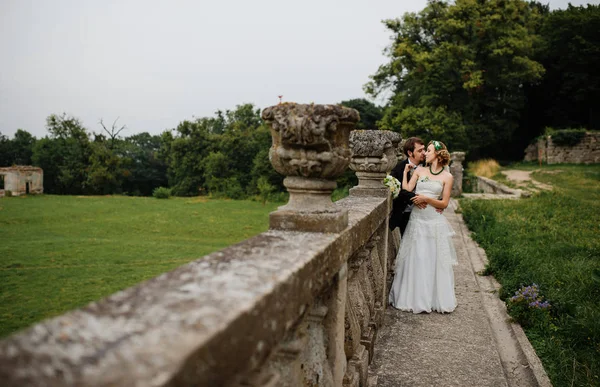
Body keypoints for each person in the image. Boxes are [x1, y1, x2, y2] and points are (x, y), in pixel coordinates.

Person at [388, 140, 458, 314]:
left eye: (428, 150)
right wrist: (405, 173)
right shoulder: (419, 170)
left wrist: (426, 199)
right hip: (417, 220)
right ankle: (413, 297)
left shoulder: (447, 177)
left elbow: (444, 203)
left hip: (434, 222)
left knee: (433, 259)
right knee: (417, 257)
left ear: (438, 154)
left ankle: (433, 298)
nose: (425, 153)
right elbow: (407, 189)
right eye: (424, 150)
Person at [389, 137, 426, 235]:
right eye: (420, 150)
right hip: (404, 214)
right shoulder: (398, 168)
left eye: (424, 149)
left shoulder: (428, 167)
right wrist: (415, 198)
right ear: (410, 153)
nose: (424, 153)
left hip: (424, 214)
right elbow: (396, 189)